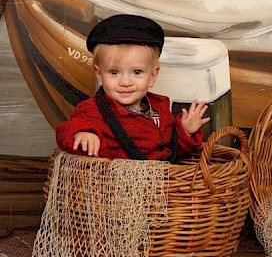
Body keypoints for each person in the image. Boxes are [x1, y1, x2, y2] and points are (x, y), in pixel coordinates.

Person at [56, 14, 210, 160]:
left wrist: (185, 131)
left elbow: (172, 153)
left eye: (137, 72)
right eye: (114, 72)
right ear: (100, 75)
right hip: (117, 183)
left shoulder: (159, 109)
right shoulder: (92, 110)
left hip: (160, 183)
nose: (125, 82)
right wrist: (82, 134)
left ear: (152, 76)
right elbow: (66, 130)